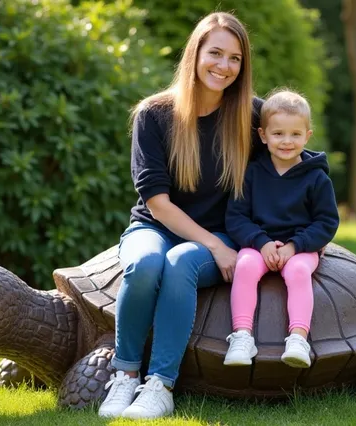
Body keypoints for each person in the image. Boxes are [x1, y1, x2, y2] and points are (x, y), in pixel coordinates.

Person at [97, 12, 264, 420]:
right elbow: (156, 202)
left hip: (224, 232)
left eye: (235, 59)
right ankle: (126, 374)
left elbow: (291, 160)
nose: (224, 66)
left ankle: (160, 385)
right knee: (146, 262)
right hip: (155, 226)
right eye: (216, 53)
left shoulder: (253, 116)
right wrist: (211, 245)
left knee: (179, 264)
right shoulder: (153, 115)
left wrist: (310, 224)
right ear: (196, 54)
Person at [223, 90, 340, 369]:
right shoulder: (251, 173)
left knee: (298, 271)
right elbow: (236, 216)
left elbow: (326, 222)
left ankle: (298, 338)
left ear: (307, 136)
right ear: (263, 135)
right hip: (258, 245)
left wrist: (295, 246)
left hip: (301, 248)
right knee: (245, 265)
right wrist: (260, 243)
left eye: (295, 134)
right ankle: (241, 336)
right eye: (278, 134)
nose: (287, 141)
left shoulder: (317, 178)